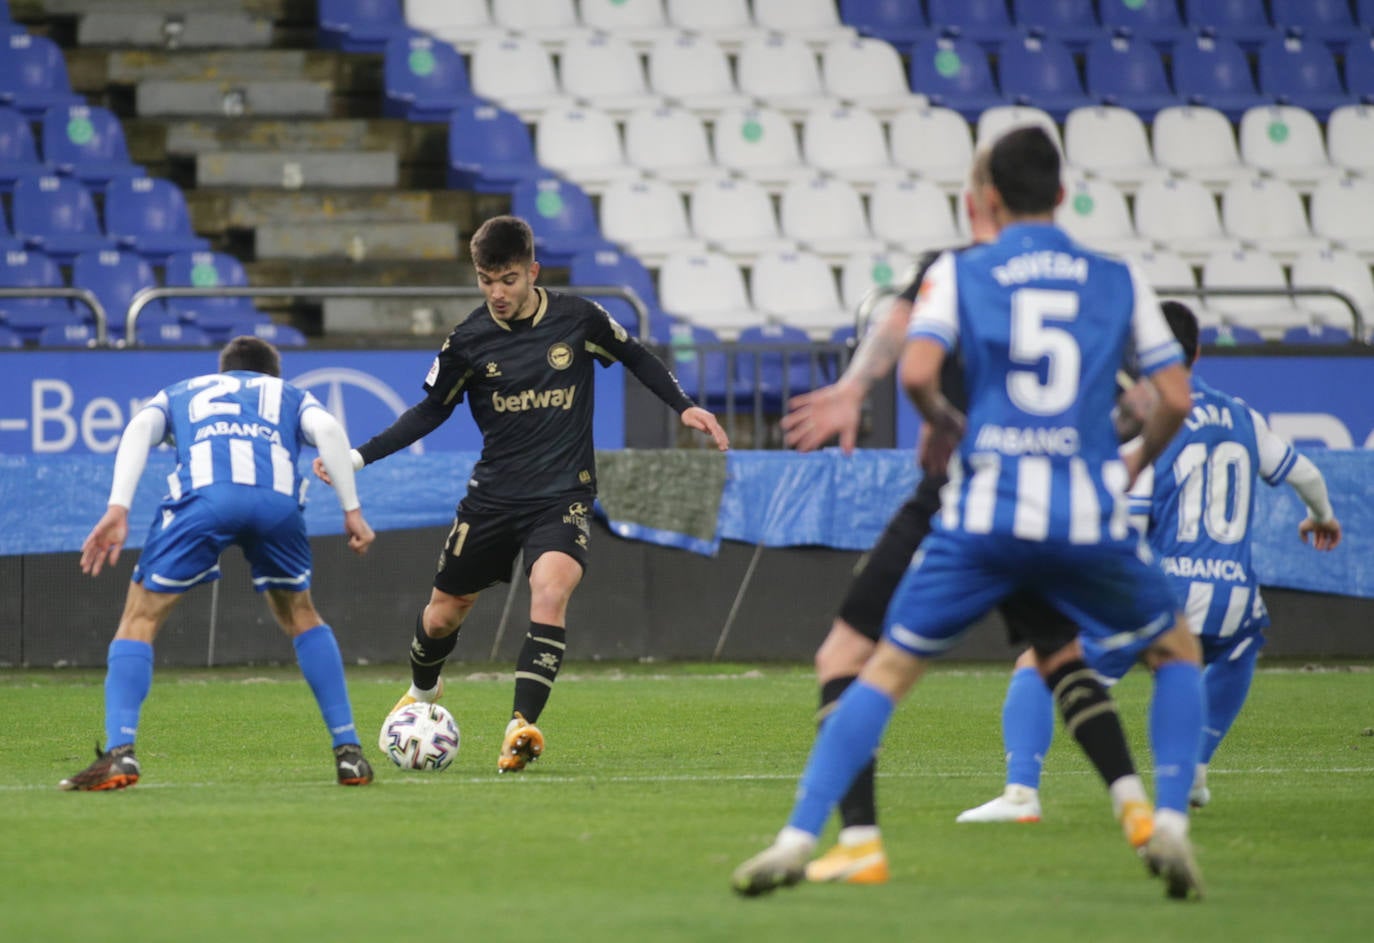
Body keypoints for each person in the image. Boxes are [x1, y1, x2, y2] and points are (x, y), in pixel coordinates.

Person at [731, 126, 1208, 901]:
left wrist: (952, 424)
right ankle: (1162, 819)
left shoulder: (960, 271)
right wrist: (1127, 459)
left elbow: (916, 369)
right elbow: (1170, 399)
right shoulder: (1115, 277)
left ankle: (801, 833)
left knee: (876, 669)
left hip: (978, 506)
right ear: (1063, 193)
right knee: (1164, 650)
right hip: (1081, 514)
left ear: (985, 197)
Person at [316, 215, 729, 773]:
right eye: (486, 280)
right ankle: (421, 694)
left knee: (551, 590)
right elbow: (430, 412)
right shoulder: (467, 340)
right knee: (443, 616)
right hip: (493, 499)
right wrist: (357, 456)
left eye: (508, 279)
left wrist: (685, 406)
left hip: (563, 494)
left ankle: (520, 726)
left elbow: (635, 355)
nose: (497, 292)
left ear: (532, 271)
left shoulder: (579, 318)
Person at [957, 300, 1343, 823]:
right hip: (1233, 594)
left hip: (1163, 594)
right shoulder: (1242, 415)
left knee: (1039, 662)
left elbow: (1127, 517)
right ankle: (1196, 771)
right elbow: (1308, 477)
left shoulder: (1151, 422)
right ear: (1199, 351)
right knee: (1241, 646)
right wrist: (1321, 517)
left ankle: (1020, 794)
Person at [62, 335, 377, 791]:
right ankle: (349, 753)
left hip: (205, 501)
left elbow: (137, 430)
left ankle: (119, 754)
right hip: (277, 505)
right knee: (301, 615)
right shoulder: (288, 395)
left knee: (140, 617)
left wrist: (118, 507)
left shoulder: (183, 391)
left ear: (223, 370)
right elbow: (328, 431)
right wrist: (351, 509)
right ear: (273, 374)